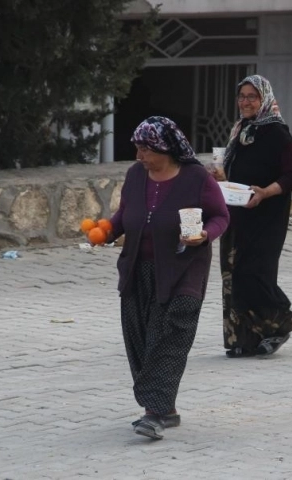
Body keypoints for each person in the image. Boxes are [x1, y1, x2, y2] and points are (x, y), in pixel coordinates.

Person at [108, 116, 230, 440]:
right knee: (141, 340)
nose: (139, 157)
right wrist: (106, 230)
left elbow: (221, 216)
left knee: (170, 337)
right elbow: (125, 214)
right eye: (137, 150)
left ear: (165, 148)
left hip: (183, 269)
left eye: (145, 150)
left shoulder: (197, 179)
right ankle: (167, 409)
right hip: (138, 270)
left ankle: (153, 414)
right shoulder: (136, 176)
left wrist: (205, 235)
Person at [209, 75, 292, 358]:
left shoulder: (276, 132)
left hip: (266, 218)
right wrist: (222, 176)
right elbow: (241, 174)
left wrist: (266, 192)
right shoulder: (242, 130)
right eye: (242, 96)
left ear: (264, 98)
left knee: (256, 274)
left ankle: (280, 323)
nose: (246, 102)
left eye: (252, 96)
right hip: (237, 214)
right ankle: (244, 340)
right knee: (234, 276)